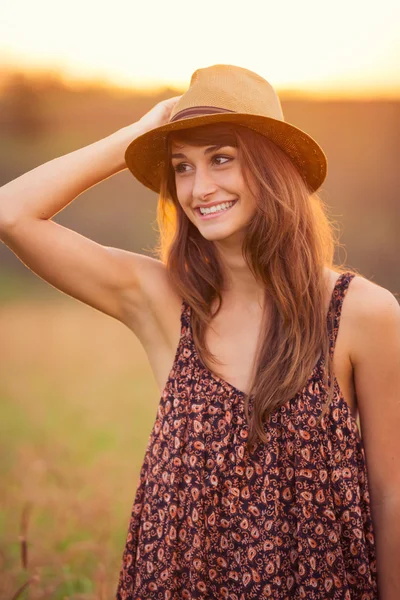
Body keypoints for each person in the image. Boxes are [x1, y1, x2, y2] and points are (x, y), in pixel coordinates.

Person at [0, 64, 399, 599]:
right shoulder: (165, 302)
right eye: (181, 167)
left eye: (222, 159)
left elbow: (391, 493)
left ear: (273, 169)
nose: (199, 188)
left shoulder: (362, 313)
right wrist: (131, 139)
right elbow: (11, 214)